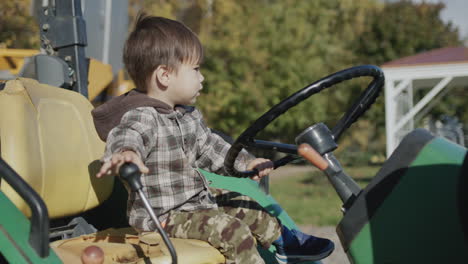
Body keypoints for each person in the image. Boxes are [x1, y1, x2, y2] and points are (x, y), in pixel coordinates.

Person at [92, 13, 334, 264]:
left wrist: (246, 163)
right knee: (233, 232)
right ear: (164, 75)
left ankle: (286, 244)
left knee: (246, 204)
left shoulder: (187, 116)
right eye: (195, 69)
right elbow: (127, 137)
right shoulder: (143, 116)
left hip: (194, 204)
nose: (202, 77)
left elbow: (211, 147)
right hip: (162, 217)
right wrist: (126, 154)